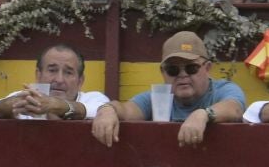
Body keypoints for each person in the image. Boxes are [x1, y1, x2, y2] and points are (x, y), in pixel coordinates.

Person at [93, 30, 246, 147]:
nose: (183, 75)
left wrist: (203, 115)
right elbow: (126, 110)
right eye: (173, 70)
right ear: (163, 73)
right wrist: (108, 110)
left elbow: (235, 109)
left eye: (191, 68)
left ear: (207, 68)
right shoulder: (156, 98)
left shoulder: (224, 90)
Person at [0, 43, 112, 121]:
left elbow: (100, 109)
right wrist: (13, 105)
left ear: (80, 81)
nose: (59, 80)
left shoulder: (93, 98)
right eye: (52, 70)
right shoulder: (26, 99)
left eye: (68, 72)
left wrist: (57, 106)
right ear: (38, 75)